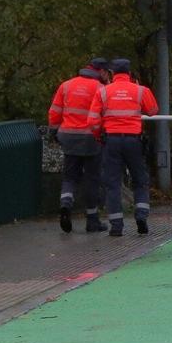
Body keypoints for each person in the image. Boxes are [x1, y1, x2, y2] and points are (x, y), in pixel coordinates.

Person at [99, 57, 159, 236]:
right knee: (140, 180)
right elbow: (153, 111)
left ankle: (116, 226)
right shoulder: (140, 90)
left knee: (113, 183)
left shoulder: (104, 92)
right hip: (133, 141)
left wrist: (99, 135)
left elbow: (94, 118)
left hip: (111, 141)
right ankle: (141, 215)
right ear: (129, 73)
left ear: (113, 74)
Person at [47, 60, 108, 233]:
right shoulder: (99, 88)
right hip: (91, 138)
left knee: (69, 177)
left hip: (68, 136)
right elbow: (105, 114)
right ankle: (92, 220)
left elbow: (54, 111)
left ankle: (66, 203)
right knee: (92, 179)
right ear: (101, 72)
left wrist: (54, 131)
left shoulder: (66, 86)